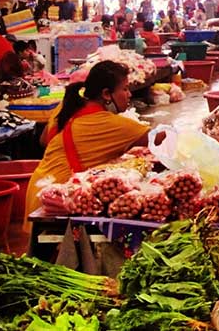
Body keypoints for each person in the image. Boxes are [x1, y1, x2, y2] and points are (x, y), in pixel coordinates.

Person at [25, 61, 164, 220]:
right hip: (57, 198)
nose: (129, 94)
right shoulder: (109, 123)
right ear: (106, 94)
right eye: (124, 89)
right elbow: (159, 138)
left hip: (40, 186)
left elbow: (44, 140)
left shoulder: (68, 105)